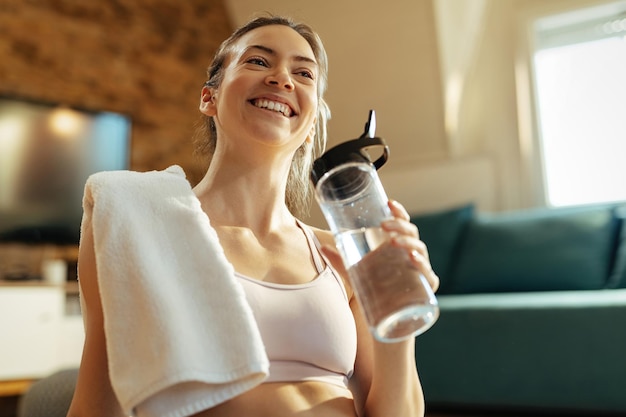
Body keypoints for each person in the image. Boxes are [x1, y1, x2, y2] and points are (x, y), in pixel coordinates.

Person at [67, 14, 439, 417]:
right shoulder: (138, 225)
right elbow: (97, 404)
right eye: (258, 62)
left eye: (303, 73)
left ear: (312, 123)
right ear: (209, 97)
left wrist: (399, 310)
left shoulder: (345, 255)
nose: (282, 79)